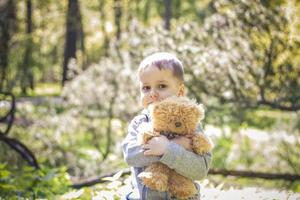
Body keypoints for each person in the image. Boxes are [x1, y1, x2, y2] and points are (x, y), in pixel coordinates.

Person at [122, 52, 212, 200]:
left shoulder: (190, 125)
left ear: (180, 91)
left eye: (161, 86)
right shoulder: (139, 123)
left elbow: (201, 169)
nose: (152, 93)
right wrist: (169, 148)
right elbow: (130, 155)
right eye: (146, 88)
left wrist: (168, 150)